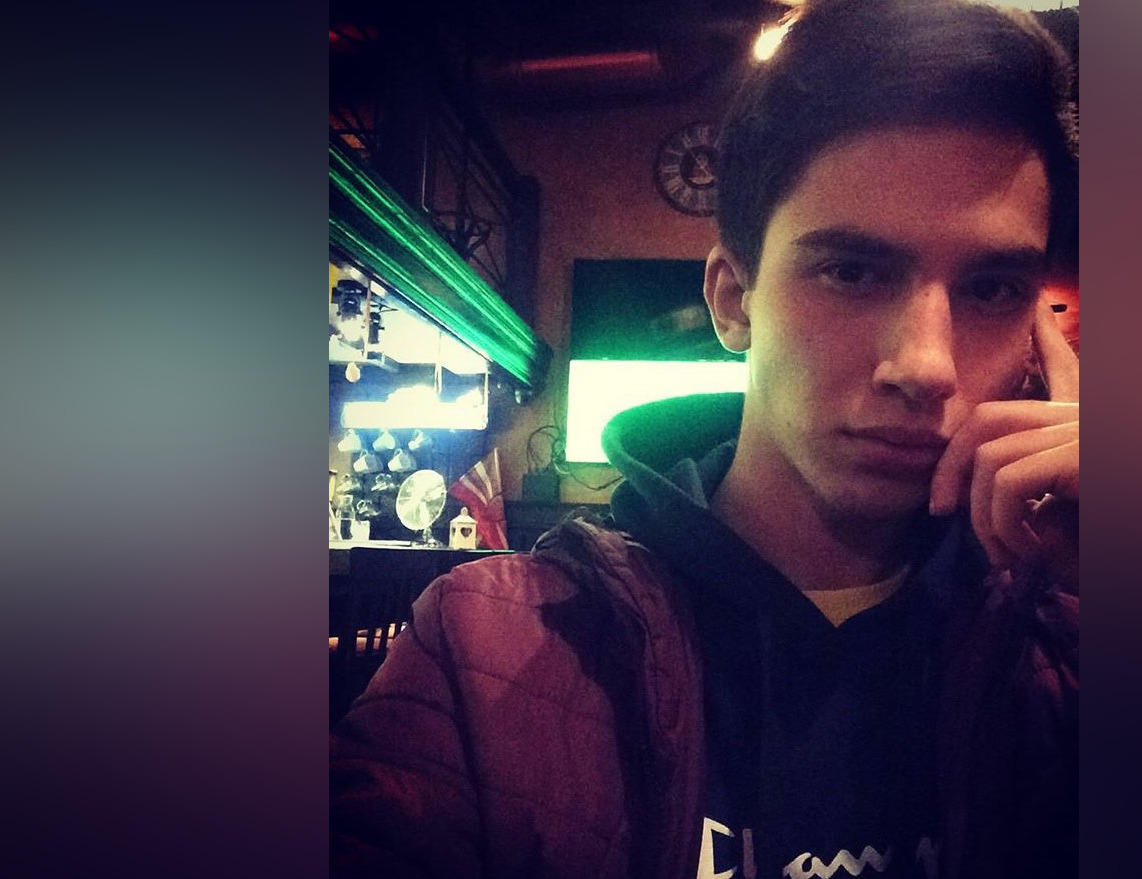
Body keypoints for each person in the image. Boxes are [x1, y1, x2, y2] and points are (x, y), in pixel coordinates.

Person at [331, 1, 1079, 877]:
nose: (925, 365)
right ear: (732, 300)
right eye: (850, 271)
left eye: (989, 290)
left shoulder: (1068, 639)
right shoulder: (485, 650)